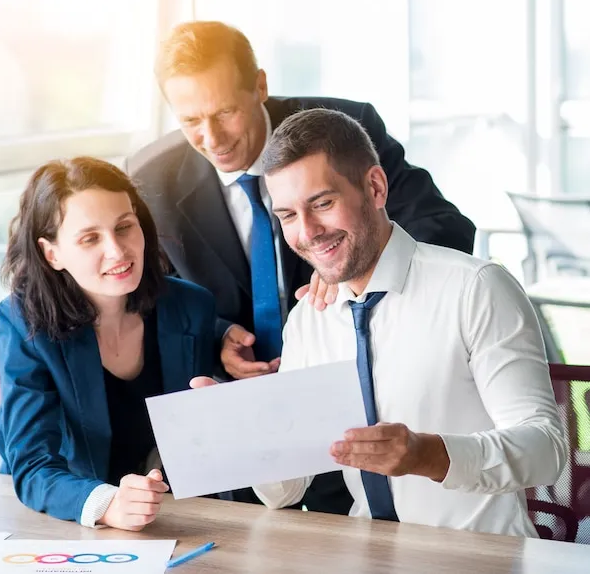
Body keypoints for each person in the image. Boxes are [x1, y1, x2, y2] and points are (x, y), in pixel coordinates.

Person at [130, 21, 476, 514]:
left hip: (358, 400)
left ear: (260, 86)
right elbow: (159, 293)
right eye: (191, 121)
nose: (212, 138)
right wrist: (219, 332)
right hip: (246, 421)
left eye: (226, 111)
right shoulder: (152, 176)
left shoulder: (343, 130)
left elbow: (446, 227)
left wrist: (355, 261)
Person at [236, 108, 565, 536]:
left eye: (322, 203)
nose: (308, 232)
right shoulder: (309, 321)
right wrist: (243, 426)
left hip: (480, 557)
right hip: (368, 555)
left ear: (374, 187)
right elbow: (283, 492)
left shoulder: (476, 288)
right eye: (288, 216)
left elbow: (546, 449)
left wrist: (428, 455)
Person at [0, 157, 216, 530]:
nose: (118, 251)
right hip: (52, 511)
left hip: (163, 513)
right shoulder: (23, 323)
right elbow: (33, 465)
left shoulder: (194, 307)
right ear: (52, 253)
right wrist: (107, 504)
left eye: (124, 227)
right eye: (90, 238)